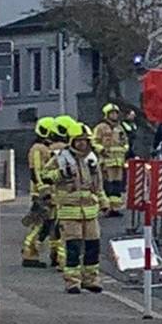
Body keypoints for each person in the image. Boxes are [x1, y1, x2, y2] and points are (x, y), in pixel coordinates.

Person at [52, 120, 108, 293]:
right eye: (79, 140)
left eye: (85, 140)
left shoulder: (92, 160)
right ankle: (72, 282)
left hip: (90, 212)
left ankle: (91, 279)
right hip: (69, 212)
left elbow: (98, 185)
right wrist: (61, 174)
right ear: (72, 141)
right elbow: (46, 176)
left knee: (93, 247)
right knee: (73, 248)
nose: (82, 143)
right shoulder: (61, 158)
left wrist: (103, 201)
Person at [21, 117, 62, 268]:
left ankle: (46, 253)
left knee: (50, 223)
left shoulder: (44, 148)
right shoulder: (37, 149)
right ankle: (29, 253)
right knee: (40, 223)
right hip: (42, 193)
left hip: (49, 192)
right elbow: (36, 171)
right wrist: (43, 190)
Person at [95, 104, 129, 217]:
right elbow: (94, 141)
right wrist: (101, 150)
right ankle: (107, 208)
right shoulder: (101, 127)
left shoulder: (120, 128)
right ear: (107, 114)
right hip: (106, 161)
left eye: (116, 113)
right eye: (112, 113)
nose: (114, 115)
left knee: (117, 185)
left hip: (118, 162)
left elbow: (125, 141)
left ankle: (115, 208)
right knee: (107, 185)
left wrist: (125, 149)